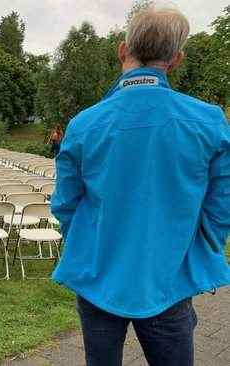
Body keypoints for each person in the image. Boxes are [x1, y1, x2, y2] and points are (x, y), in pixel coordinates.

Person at [51, 5, 229, 366]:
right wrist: (199, 243)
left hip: (98, 277)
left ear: (122, 49)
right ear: (176, 59)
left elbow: (65, 204)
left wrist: (89, 246)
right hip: (169, 278)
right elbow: (221, 203)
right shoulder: (208, 120)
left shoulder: (84, 125)